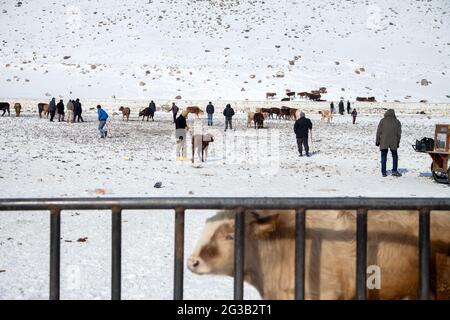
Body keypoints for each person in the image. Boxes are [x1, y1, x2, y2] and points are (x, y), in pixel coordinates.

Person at [376, 109, 402, 177]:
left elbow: (378, 132)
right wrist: (398, 143)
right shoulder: (397, 122)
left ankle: (384, 172)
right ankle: (394, 171)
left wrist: (377, 141)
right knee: (394, 156)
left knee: (383, 156)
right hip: (393, 142)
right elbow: (399, 134)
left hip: (384, 141)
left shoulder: (382, 121)